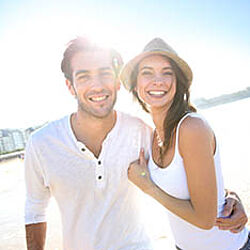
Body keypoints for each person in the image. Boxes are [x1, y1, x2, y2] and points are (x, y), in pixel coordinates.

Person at [24, 37, 247, 250]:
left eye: (105, 74)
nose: (97, 85)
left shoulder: (143, 132)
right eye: (84, 77)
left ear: (118, 83)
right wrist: (226, 197)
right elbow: (35, 209)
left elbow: (197, 188)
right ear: (70, 86)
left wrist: (228, 198)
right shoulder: (41, 143)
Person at [120, 37, 250, 250]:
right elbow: (198, 184)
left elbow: (205, 220)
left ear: (178, 82)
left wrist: (148, 187)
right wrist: (229, 194)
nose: (158, 80)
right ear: (136, 84)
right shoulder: (150, 136)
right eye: (147, 73)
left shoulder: (191, 128)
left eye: (167, 72)